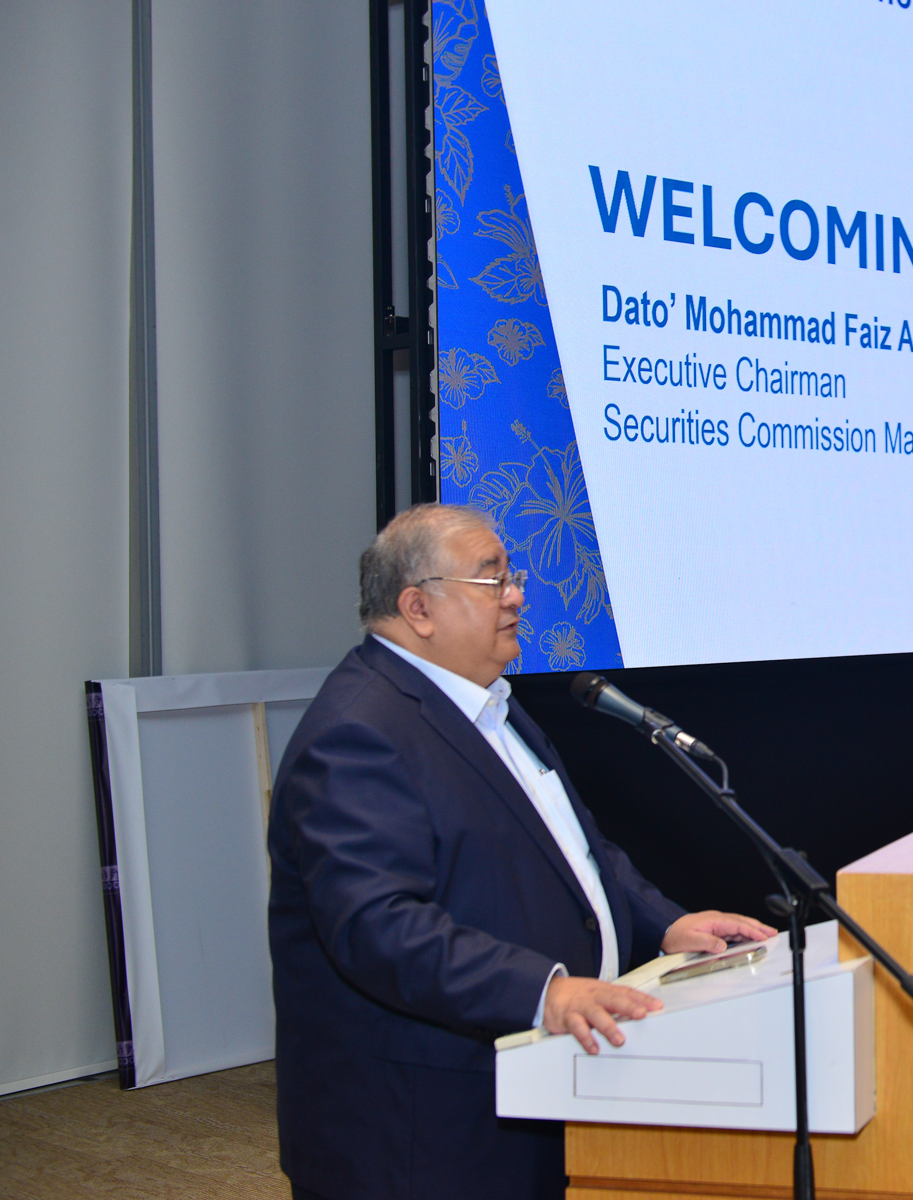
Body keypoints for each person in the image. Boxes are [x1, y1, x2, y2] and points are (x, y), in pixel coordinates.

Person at [267, 504, 775, 1200]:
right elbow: (378, 925)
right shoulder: (357, 733)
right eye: (492, 580)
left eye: (513, 578)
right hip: (420, 1130)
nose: (515, 597)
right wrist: (543, 991)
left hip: (524, 1089)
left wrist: (664, 924)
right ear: (418, 608)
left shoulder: (487, 704)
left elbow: (576, 851)